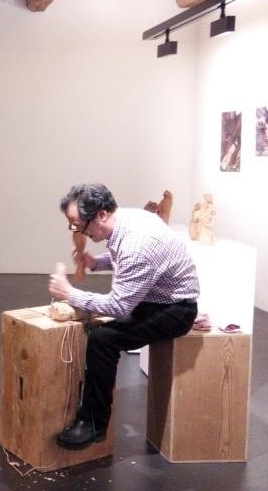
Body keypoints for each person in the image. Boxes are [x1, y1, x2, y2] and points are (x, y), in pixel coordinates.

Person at [47, 183, 199, 449]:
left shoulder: (138, 244)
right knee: (100, 330)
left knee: (103, 339)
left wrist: (69, 293)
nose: (78, 231)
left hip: (175, 310)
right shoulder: (126, 219)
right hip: (152, 299)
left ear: (102, 214)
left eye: (78, 225)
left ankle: (93, 424)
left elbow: (119, 305)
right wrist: (96, 262)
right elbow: (121, 256)